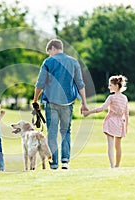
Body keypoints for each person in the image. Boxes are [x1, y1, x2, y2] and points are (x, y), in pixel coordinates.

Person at [33, 39, 88, 170]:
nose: (49, 55)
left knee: (52, 132)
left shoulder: (48, 62)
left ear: (52, 48)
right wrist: (84, 103)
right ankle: (65, 161)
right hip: (68, 103)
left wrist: (35, 99)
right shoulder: (74, 62)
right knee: (66, 131)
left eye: (49, 52)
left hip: (51, 102)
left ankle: (54, 163)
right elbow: (80, 84)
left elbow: (40, 83)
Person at [82, 75, 129, 168]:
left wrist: (88, 112)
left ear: (116, 85)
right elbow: (126, 114)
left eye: (110, 85)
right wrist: (126, 126)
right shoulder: (125, 98)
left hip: (111, 122)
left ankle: (112, 166)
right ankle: (117, 166)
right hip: (120, 123)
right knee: (118, 146)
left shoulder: (111, 97)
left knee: (110, 146)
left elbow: (101, 108)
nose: (109, 87)